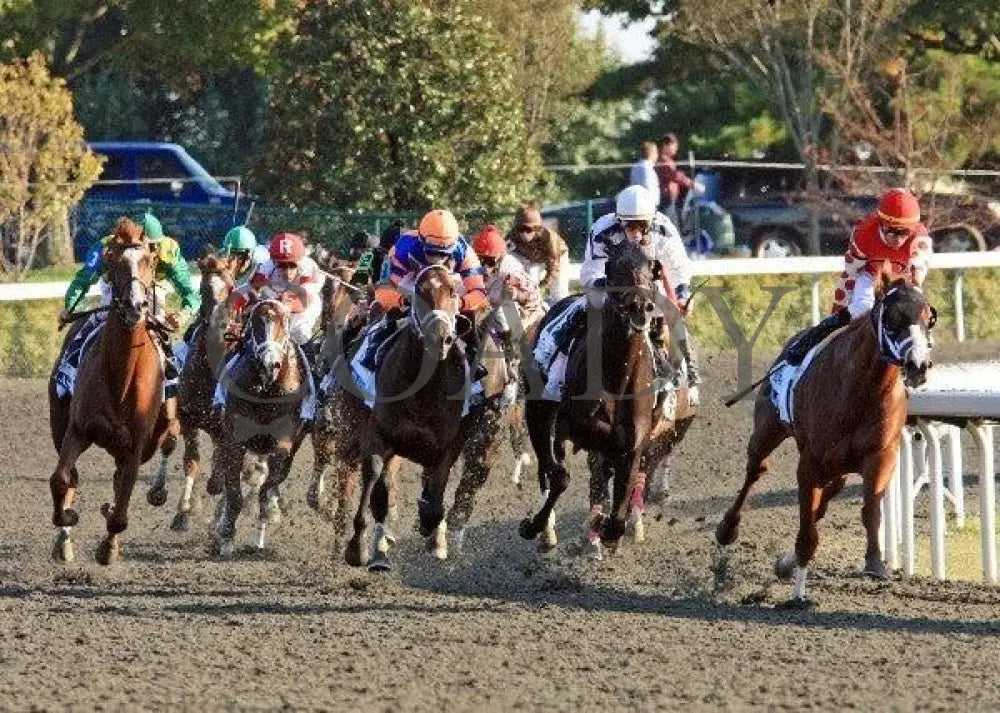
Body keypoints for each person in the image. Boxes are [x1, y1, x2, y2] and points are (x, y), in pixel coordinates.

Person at [533, 185, 700, 402]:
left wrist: (682, 294)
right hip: (611, 288)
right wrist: (618, 289)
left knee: (673, 317)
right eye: (630, 226)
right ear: (619, 220)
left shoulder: (664, 228)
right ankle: (554, 365)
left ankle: (689, 378)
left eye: (642, 225)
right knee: (580, 308)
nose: (637, 233)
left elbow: (679, 268)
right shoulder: (603, 228)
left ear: (652, 220)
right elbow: (591, 273)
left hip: (648, 287)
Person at [57, 212, 200, 423]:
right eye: (147, 247)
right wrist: (69, 306)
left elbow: (190, 292)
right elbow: (83, 280)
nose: (151, 252)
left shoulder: (167, 249)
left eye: (153, 247)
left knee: (161, 331)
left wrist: (183, 314)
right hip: (117, 286)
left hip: (153, 289)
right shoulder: (107, 247)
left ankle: (170, 384)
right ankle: (67, 371)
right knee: (94, 322)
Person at [783, 187, 933, 365]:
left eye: (904, 233)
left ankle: (920, 354)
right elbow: (849, 276)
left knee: (911, 309)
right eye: (892, 232)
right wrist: (838, 311)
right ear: (881, 224)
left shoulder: (920, 238)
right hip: (870, 275)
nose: (899, 240)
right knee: (861, 307)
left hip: (902, 279)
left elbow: (915, 283)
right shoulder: (864, 234)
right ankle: (812, 339)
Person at [357, 209, 489, 375]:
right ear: (421, 240)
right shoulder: (403, 247)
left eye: (443, 255)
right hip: (412, 277)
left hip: (448, 278)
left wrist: (461, 303)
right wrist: (404, 300)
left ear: (454, 246)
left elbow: (480, 293)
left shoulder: (465, 252)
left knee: (467, 305)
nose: (437, 259)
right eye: (431, 253)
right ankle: (375, 345)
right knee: (385, 306)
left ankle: (473, 352)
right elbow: (383, 290)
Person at [213, 232, 326, 418]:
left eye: (292, 265)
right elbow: (247, 292)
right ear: (273, 262)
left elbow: (304, 300)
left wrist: (284, 305)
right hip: (273, 303)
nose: (288, 271)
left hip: (302, 309)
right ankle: (220, 392)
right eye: (282, 265)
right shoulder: (264, 268)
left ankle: (316, 393)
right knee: (252, 334)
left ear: (300, 261)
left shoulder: (310, 269)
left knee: (300, 334)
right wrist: (229, 309)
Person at [471, 224, 544, 388]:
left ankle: (513, 364)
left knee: (503, 314)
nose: (484, 267)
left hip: (527, 313)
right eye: (479, 260)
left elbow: (533, 298)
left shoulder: (511, 270)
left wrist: (517, 295)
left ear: (500, 257)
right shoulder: (472, 266)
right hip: (491, 305)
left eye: (489, 261)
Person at [507, 205, 570, 305]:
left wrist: (544, 285)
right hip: (530, 259)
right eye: (520, 229)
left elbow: (554, 267)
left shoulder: (549, 239)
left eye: (528, 229)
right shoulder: (511, 236)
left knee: (559, 295)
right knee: (531, 291)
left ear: (537, 228)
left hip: (557, 258)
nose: (523, 234)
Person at [655, 133, 696, 229]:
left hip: (671, 200)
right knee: (669, 228)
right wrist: (692, 184)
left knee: (674, 227)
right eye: (674, 146)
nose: (675, 149)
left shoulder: (668, 161)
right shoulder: (663, 161)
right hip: (666, 200)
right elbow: (674, 175)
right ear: (666, 145)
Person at [628, 141, 660, 209]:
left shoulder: (637, 166)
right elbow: (648, 187)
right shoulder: (646, 169)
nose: (657, 155)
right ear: (652, 153)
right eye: (656, 152)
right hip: (646, 206)